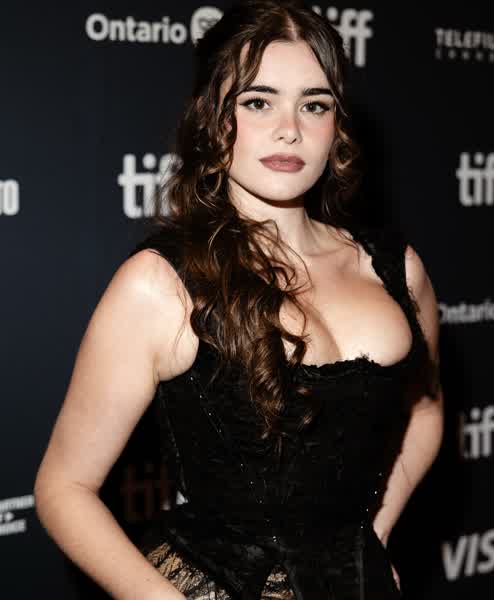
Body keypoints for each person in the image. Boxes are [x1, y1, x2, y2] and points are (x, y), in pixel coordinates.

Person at [34, 1, 444, 598]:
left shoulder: (396, 268)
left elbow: (426, 412)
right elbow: (63, 488)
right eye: (258, 102)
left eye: (314, 104)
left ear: (337, 125)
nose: (289, 129)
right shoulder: (162, 284)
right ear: (212, 118)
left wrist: (371, 538)